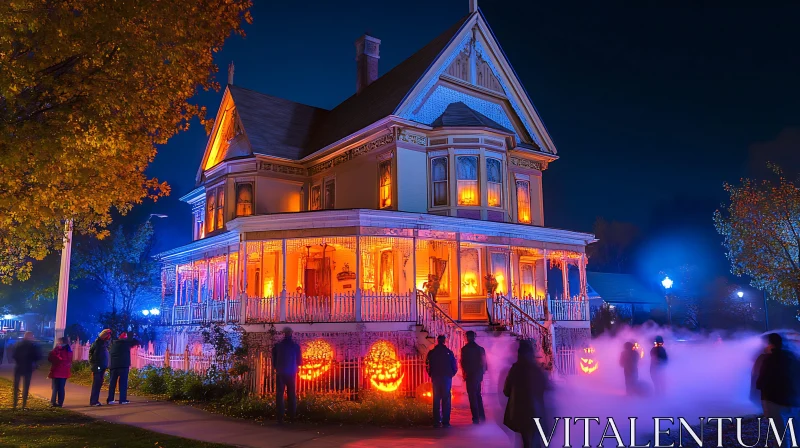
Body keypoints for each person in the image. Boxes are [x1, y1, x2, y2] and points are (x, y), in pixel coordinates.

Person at [504, 340, 550, 448]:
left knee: (526, 440)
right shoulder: (536, 370)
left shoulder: (515, 369)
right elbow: (544, 387)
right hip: (535, 410)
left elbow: (506, 391)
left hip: (520, 411)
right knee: (535, 438)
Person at [756, 333, 799, 444]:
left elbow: (761, 382)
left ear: (770, 344)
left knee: (781, 434)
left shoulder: (769, 360)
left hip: (774, 401)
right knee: (796, 432)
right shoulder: (794, 357)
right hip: (794, 401)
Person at [426, 335, 457, 428]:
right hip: (446, 377)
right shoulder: (449, 352)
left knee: (436, 399)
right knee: (446, 399)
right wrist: (450, 374)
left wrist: (431, 374)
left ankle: (436, 421)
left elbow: (427, 365)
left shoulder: (432, 353)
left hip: (436, 377)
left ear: (437, 341)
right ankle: (446, 421)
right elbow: (454, 366)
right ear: (444, 341)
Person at [272, 327, 301, 424]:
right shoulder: (295, 346)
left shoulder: (278, 346)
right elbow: (299, 361)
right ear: (291, 334)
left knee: (279, 394)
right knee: (291, 394)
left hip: (280, 372)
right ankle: (292, 417)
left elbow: (274, 360)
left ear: (283, 334)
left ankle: (280, 417)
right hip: (291, 372)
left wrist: (277, 367)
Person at [460, 330, 488, 424]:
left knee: (472, 396)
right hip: (478, 375)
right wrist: (481, 373)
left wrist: (465, 373)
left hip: (470, 375)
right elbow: (484, 363)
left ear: (467, 337)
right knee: (478, 395)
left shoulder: (465, 349)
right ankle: (482, 416)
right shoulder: (480, 349)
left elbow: (463, 363)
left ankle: (475, 418)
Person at [11, 332, 42, 410]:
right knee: (26, 386)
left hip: (19, 367)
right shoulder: (33, 346)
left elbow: (14, 355)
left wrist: (18, 361)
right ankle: (23, 404)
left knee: (16, 386)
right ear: (30, 337)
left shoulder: (18, 344)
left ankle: (15, 404)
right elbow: (38, 356)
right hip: (28, 368)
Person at [107, 332, 140, 405]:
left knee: (112, 383)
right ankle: (122, 400)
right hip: (123, 366)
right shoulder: (126, 343)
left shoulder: (114, 344)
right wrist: (131, 334)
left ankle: (110, 399)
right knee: (123, 383)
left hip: (113, 366)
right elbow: (136, 341)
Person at [48, 336, 73, 407]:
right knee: (59, 387)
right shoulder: (68, 350)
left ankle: (55, 402)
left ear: (62, 342)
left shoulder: (60, 350)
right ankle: (58, 402)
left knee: (56, 387)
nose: (57, 342)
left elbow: (53, 359)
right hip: (62, 371)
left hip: (58, 370)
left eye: (59, 341)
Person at [89, 329, 112, 407]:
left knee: (98, 384)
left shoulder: (102, 343)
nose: (109, 337)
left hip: (101, 366)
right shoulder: (98, 344)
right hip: (98, 367)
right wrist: (97, 366)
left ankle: (95, 400)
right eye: (108, 335)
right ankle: (93, 401)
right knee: (96, 384)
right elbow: (95, 356)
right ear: (105, 335)